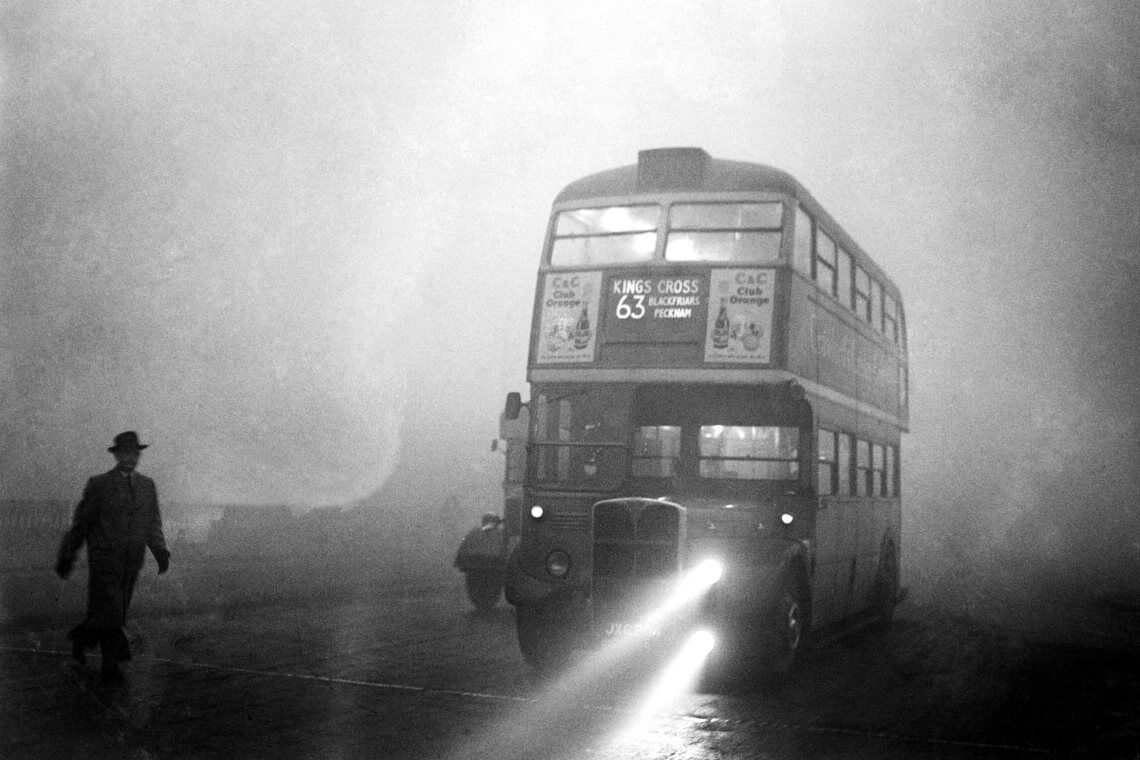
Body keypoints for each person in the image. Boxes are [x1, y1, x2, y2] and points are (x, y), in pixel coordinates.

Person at [55, 431, 170, 679]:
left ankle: (81, 639)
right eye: (126, 453)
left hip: (132, 560)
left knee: (113, 611)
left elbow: (151, 522)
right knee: (111, 612)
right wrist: (67, 554)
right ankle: (111, 665)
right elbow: (81, 523)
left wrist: (160, 550)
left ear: (139, 456)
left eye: (135, 453)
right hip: (105, 560)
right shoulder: (100, 485)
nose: (131, 458)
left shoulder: (146, 486)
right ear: (117, 455)